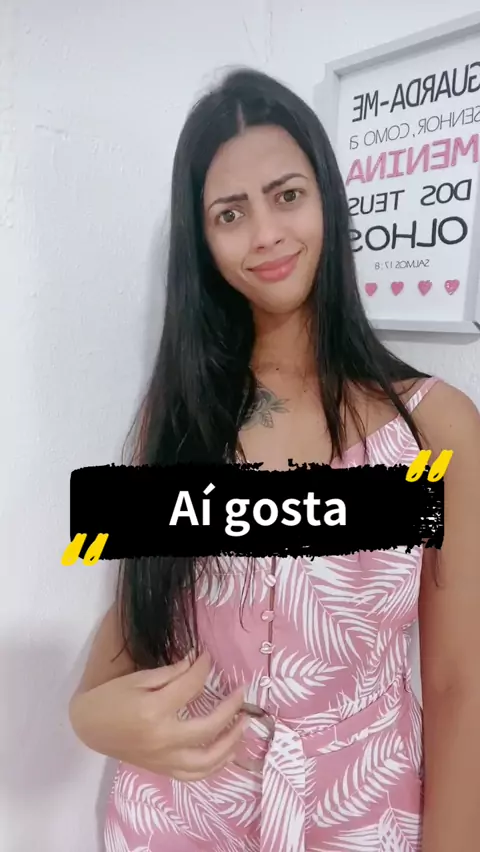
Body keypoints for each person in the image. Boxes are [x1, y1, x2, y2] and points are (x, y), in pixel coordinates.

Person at [68, 68, 480, 852]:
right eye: (230, 213)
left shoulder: (435, 433)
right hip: (177, 820)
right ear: (203, 241)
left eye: (286, 195)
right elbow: (133, 630)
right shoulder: (177, 422)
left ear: (327, 198)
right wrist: (88, 717)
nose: (264, 233)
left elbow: (463, 687)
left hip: (361, 817)